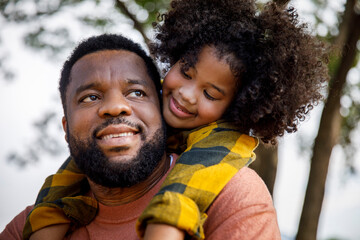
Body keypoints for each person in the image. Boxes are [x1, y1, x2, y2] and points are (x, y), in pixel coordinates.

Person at [3, 0, 328, 238]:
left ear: (238, 106)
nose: (186, 95)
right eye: (185, 73)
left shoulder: (228, 173)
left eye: (211, 94)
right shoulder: (21, 225)